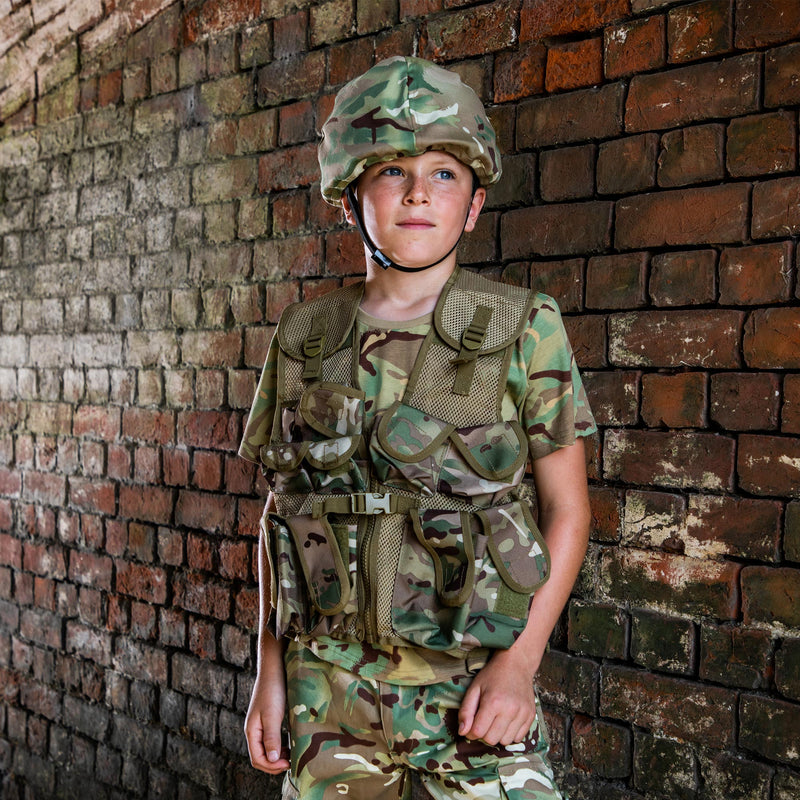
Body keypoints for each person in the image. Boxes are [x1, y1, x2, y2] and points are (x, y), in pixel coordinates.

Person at [239, 55, 596, 800]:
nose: (416, 195)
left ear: (472, 204)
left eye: (442, 173)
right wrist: (270, 673)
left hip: (471, 691)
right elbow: (283, 513)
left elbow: (568, 510)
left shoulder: (522, 325)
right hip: (327, 692)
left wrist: (521, 664)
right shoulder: (307, 335)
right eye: (391, 172)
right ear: (350, 199)